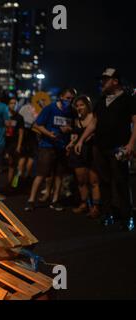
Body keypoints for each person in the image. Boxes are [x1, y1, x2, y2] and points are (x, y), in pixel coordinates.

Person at [76, 68, 136, 231]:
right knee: (104, 181)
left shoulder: (128, 99)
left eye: (105, 79)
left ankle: (127, 216)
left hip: (119, 147)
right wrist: (81, 140)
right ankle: (108, 213)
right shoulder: (102, 101)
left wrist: (131, 144)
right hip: (100, 147)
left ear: (115, 81)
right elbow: (94, 123)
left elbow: (135, 122)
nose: (102, 82)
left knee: (121, 181)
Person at [25, 88, 76, 212]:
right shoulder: (50, 108)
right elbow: (37, 125)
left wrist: (68, 129)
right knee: (41, 174)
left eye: (72, 98)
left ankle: (55, 200)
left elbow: (73, 127)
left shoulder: (71, 112)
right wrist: (49, 134)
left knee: (59, 175)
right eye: (67, 98)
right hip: (47, 146)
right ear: (60, 97)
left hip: (62, 147)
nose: (69, 101)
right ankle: (31, 200)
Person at [66, 95, 100, 218]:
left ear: (88, 105)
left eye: (82, 105)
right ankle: (84, 203)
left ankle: (95, 207)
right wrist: (70, 144)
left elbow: (96, 133)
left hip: (91, 151)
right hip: (78, 152)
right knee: (81, 181)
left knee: (94, 181)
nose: (79, 107)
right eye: (77, 105)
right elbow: (75, 136)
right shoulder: (77, 120)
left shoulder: (94, 118)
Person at [5, 97, 24, 188]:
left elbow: (21, 132)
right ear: (8, 105)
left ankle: (11, 184)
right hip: (4, 142)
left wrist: (19, 146)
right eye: (11, 103)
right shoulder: (4, 115)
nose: (13, 105)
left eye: (15, 103)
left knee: (12, 164)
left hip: (14, 143)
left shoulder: (19, 117)